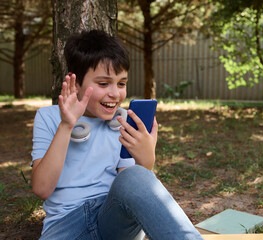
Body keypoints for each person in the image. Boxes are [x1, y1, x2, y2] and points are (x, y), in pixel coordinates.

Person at [31, 30, 203, 240]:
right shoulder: (48, 118)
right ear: (75, 84)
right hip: (67, 227)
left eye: (121, 84)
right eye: (103, 84)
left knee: (134, 175)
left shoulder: (124, 123)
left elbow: (132, 189)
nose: (115, 94)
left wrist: (146, 161)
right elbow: (42, 189)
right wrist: (66, 125)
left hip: (112, 220)